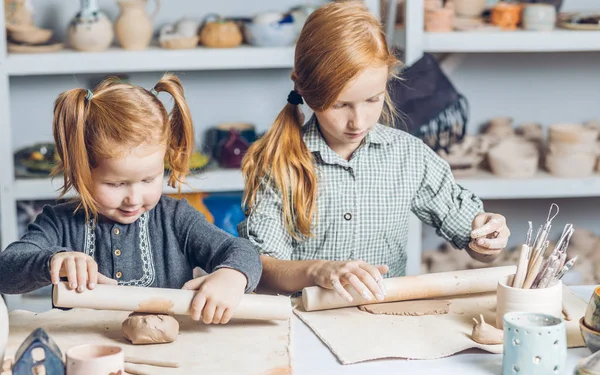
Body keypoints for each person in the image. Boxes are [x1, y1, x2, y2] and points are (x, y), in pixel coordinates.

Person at [238, 1, 509, 303]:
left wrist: (489, 236)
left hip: (385, 324)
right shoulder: (279, 163)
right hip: (306, 323)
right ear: (304, 90)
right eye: (340, 105)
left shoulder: (408, 156)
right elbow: (263, 269)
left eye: (372, 100)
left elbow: (476, 246)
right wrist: (317, 271)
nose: (359, 121)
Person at [0, 74, 262, 324]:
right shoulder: (59, 223)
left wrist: (232, 275)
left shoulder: (176, 219)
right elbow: (6, 271)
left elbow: (242, 251)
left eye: (149, 180)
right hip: (89, 355)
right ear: (79, 171)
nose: (134, 199)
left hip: (169, 352)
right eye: (116, 184)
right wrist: (52, 261)